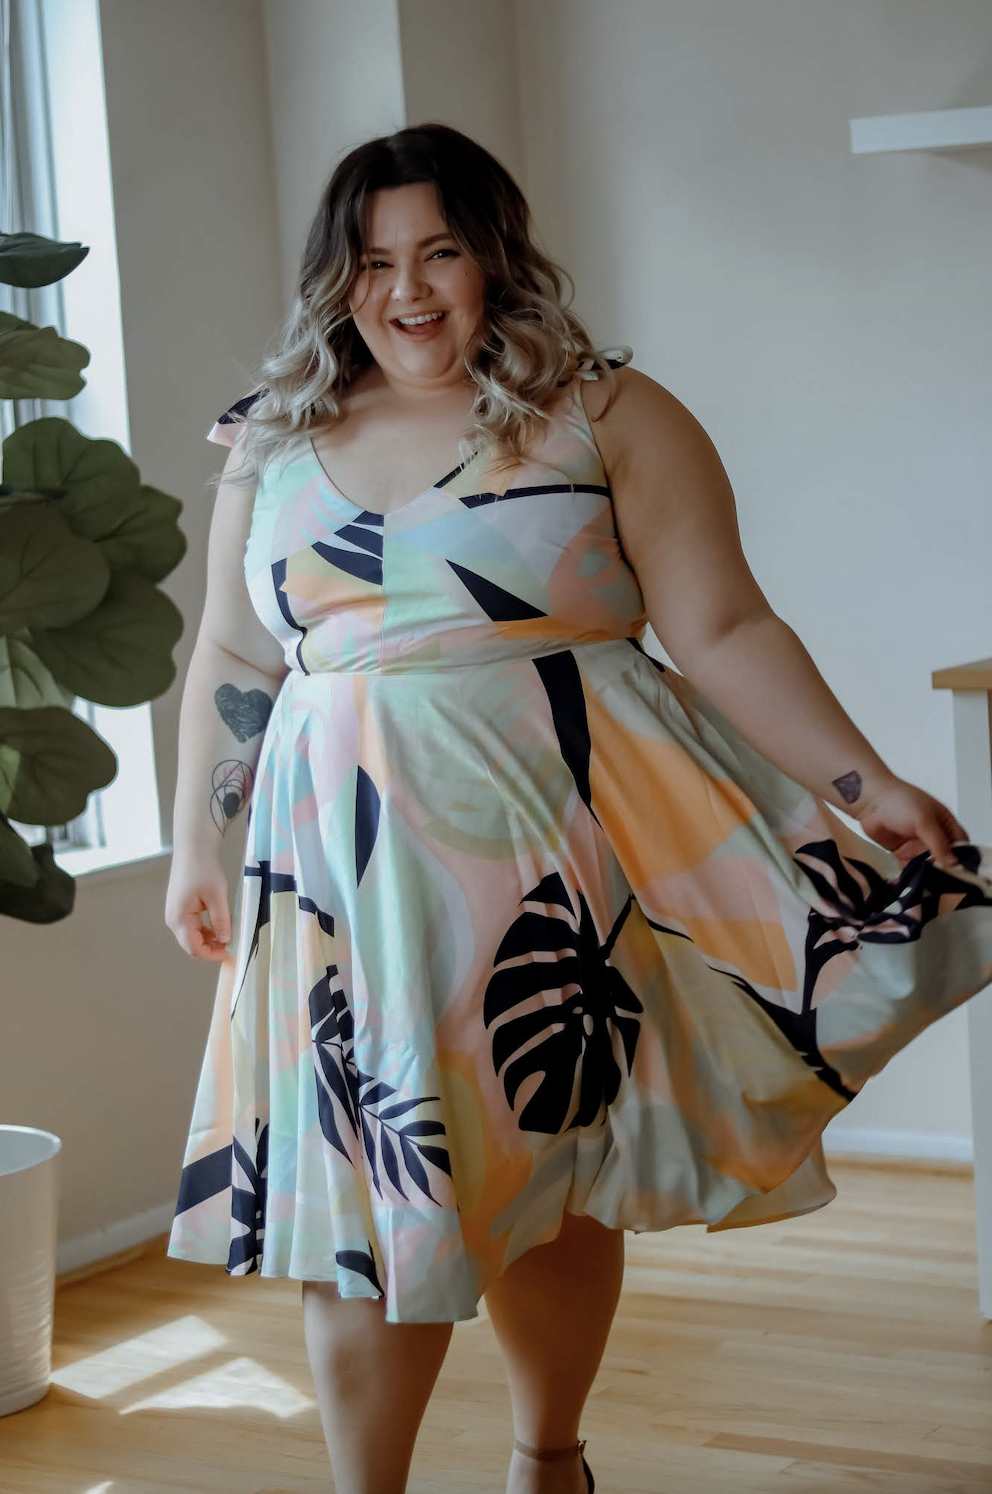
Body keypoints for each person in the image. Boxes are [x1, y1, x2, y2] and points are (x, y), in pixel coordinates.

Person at [163, 122, 992, 1494]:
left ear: (496, 257)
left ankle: (548, 1458)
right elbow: (237, 655)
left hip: (545, 857)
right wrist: (199, 839)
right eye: (374, 261)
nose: (407, 289)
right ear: (335, 277)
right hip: (339, 873)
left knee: (544, 1175)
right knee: (361, 1195)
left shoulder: (606, 413)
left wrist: (866, 783)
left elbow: (723, 628)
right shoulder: (271, 438)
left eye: (439, 252)